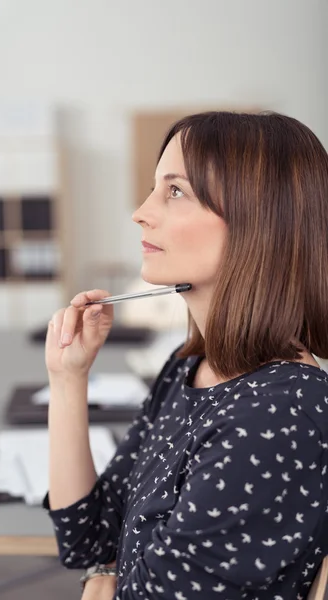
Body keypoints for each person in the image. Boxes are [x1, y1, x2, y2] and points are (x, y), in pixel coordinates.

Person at [43, 111, 328, 600]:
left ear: (257, 224)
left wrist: (102, 583)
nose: (140, 212)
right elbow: (88, 537)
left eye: (175, 192)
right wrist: (68, 379)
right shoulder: (190, 364)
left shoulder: (279, 415)